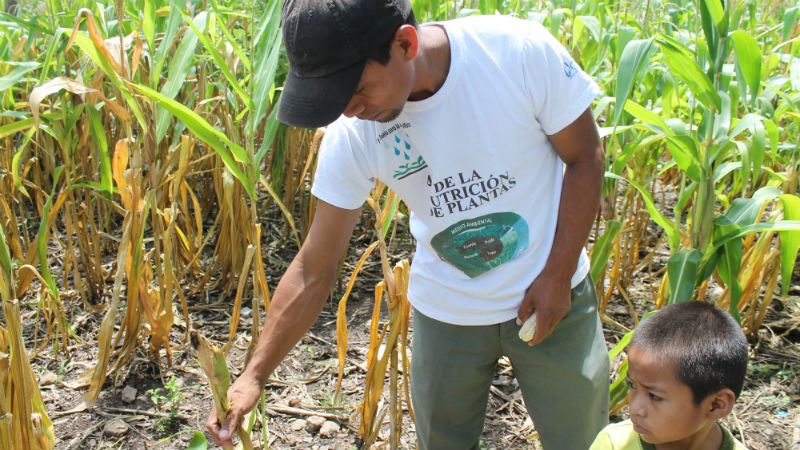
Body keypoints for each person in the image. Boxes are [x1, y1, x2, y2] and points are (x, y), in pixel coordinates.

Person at [207, 0, 609, 448]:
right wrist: (254, 375)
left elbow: (585, 158)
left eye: (356, 88)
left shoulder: (516, 54)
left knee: (584, 441)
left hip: (555, 295)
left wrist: (556, 275)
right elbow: (313, 267)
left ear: (405, 43)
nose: (350, 110)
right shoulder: (354, 132)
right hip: (448, 312)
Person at [590, 301, 749, 450]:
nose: (635, 409)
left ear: (716, 405)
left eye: (654, 396)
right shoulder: (613, 444)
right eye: (632, 385)